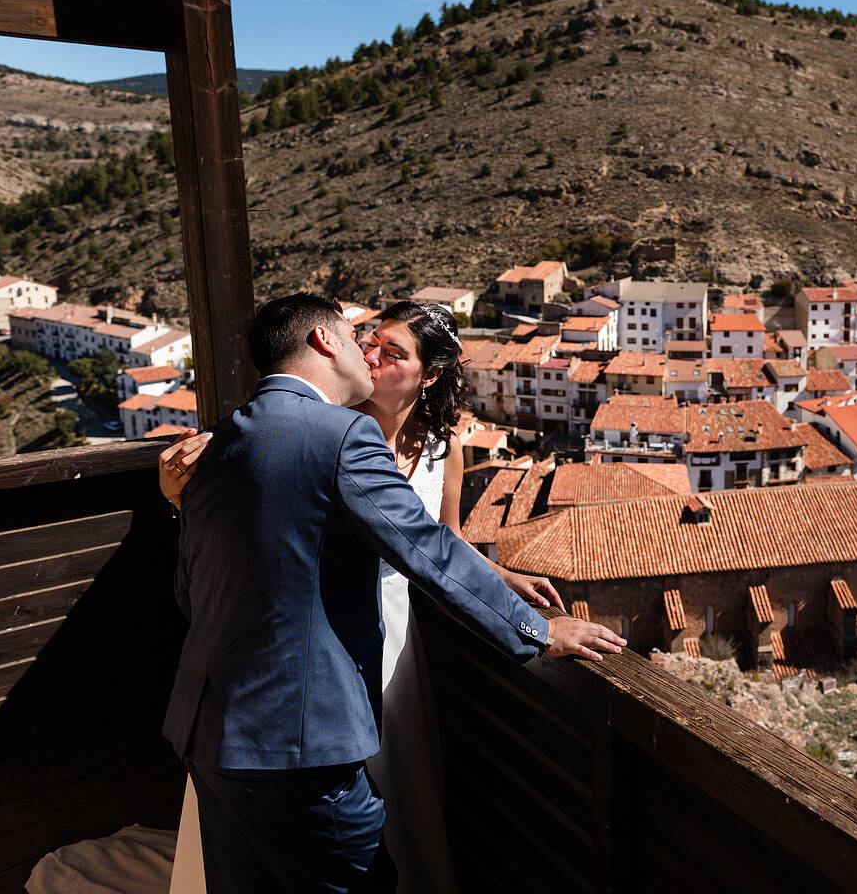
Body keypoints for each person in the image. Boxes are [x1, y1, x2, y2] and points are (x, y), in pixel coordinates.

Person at [161, 293, 622, 894]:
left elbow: (192, 593)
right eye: (359, 338)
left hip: (209, 733)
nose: (367, 352)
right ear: (326, 343)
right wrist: (535, 629)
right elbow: (428, 547)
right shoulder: (342, 434)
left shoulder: (218, 443)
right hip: (300, 743)